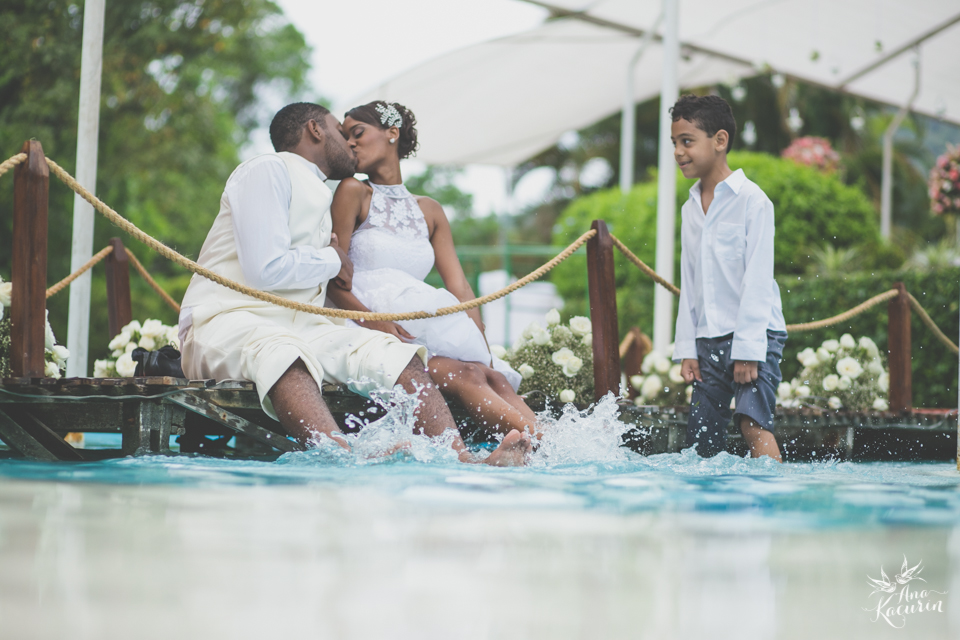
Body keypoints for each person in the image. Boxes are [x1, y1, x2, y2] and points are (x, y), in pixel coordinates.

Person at [178, 102, 530, 465]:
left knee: (400, 357)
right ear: (316, 130)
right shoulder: (268, 169)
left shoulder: (322, 193)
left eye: (354, 134)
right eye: (339, 131)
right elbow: (264, 270)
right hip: (228, 319)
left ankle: (465, 461)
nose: (348, 144)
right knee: (285, 355)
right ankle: (345, 461)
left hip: (304, 325)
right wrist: (334, 260)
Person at [327, 101, 540, 440]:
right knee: (468, 376)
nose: (350, 143)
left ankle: (549, 447)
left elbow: (461, 289)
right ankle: (539, 446)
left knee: (492, 375)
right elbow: (333, 280)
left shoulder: (430, 210)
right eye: (345, 137)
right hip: (368, 330)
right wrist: (378, 323)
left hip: (424, 329)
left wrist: (484, 350)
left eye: (357, 133)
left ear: (392, 133)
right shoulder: (353, 192)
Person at [671, 94, 787, 462]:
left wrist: (748, 350)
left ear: (720, 141)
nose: (678, 151)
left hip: (755, 337)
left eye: (687, 141)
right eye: (674, 142)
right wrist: (687, 348)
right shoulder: (690, 209)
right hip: (707, 340)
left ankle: (771, 505)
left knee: (752, 425)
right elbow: (688, 282)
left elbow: (757, 280)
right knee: (701, 442)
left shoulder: (754, 201)